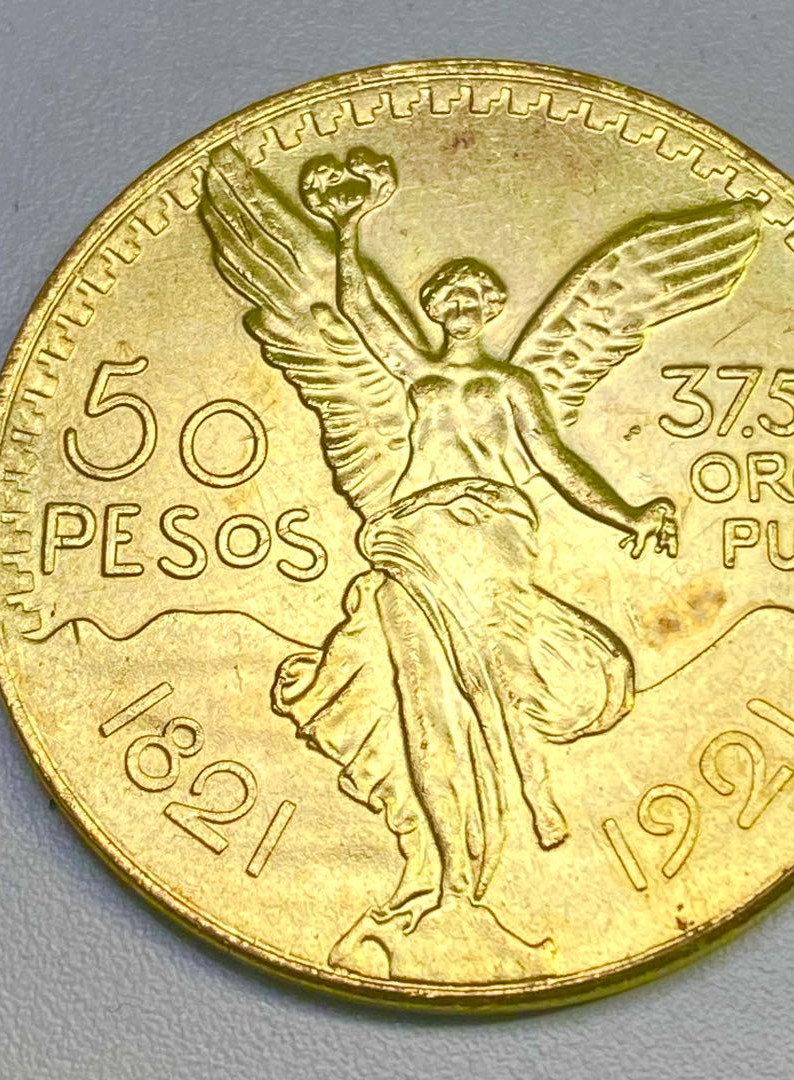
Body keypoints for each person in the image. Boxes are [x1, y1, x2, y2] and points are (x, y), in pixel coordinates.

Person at [274, 150, 676, 939]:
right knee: (424, 701)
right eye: (448, 295)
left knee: (494, 676)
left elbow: (555, 463)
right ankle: (449, 875)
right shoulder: (415, 377)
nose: (459, 304)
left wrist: (628, 513)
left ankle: (530, 802)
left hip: (491, 533)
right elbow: (358, 312)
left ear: (490, 308)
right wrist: (348, 230)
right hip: (414, 534)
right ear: (435, 308)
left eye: (472, 295)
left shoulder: (510, 385)